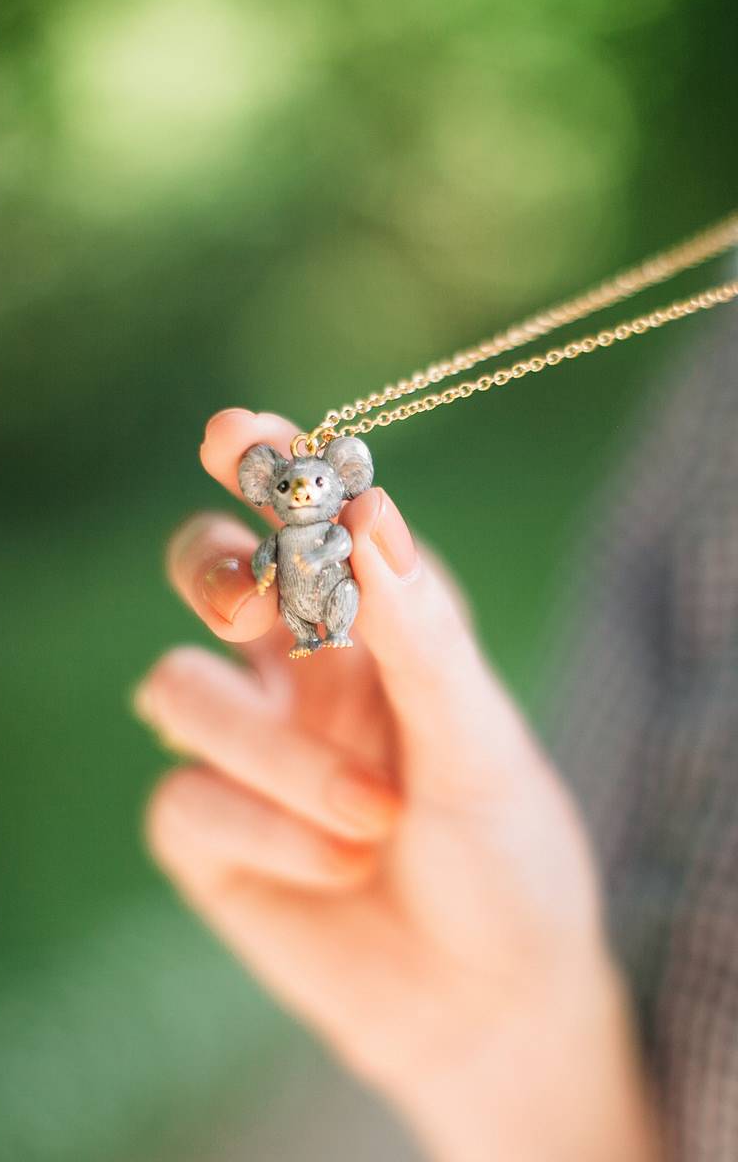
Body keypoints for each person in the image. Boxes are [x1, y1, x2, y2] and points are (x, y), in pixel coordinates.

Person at [134, 406, 666, 1162]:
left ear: (336, 481)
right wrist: (508, 1033)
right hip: (507, 1023)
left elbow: (342, 543)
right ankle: (323, 636)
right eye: (290, 486)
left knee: (333, 604)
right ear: (273, 487)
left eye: (317, 484)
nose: (303, 494)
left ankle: (328, 628)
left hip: (334, 607)